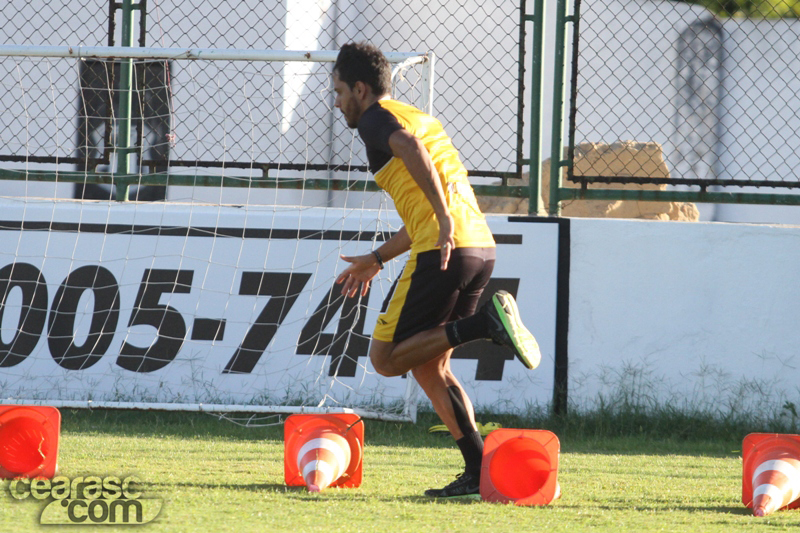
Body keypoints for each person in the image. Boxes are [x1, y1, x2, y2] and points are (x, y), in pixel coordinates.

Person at [332, 42, 540, 499]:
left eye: (340, 90)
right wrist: (378, 258)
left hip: (442, 249)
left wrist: (443, 221)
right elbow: (421, 205)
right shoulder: (417, 117)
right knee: (429, 367)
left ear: (361, 89)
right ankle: (480, 471)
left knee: (386, 359)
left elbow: (410, 156)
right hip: (478, 247)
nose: (337, 100)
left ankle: (483, 324)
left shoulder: (375, 121)